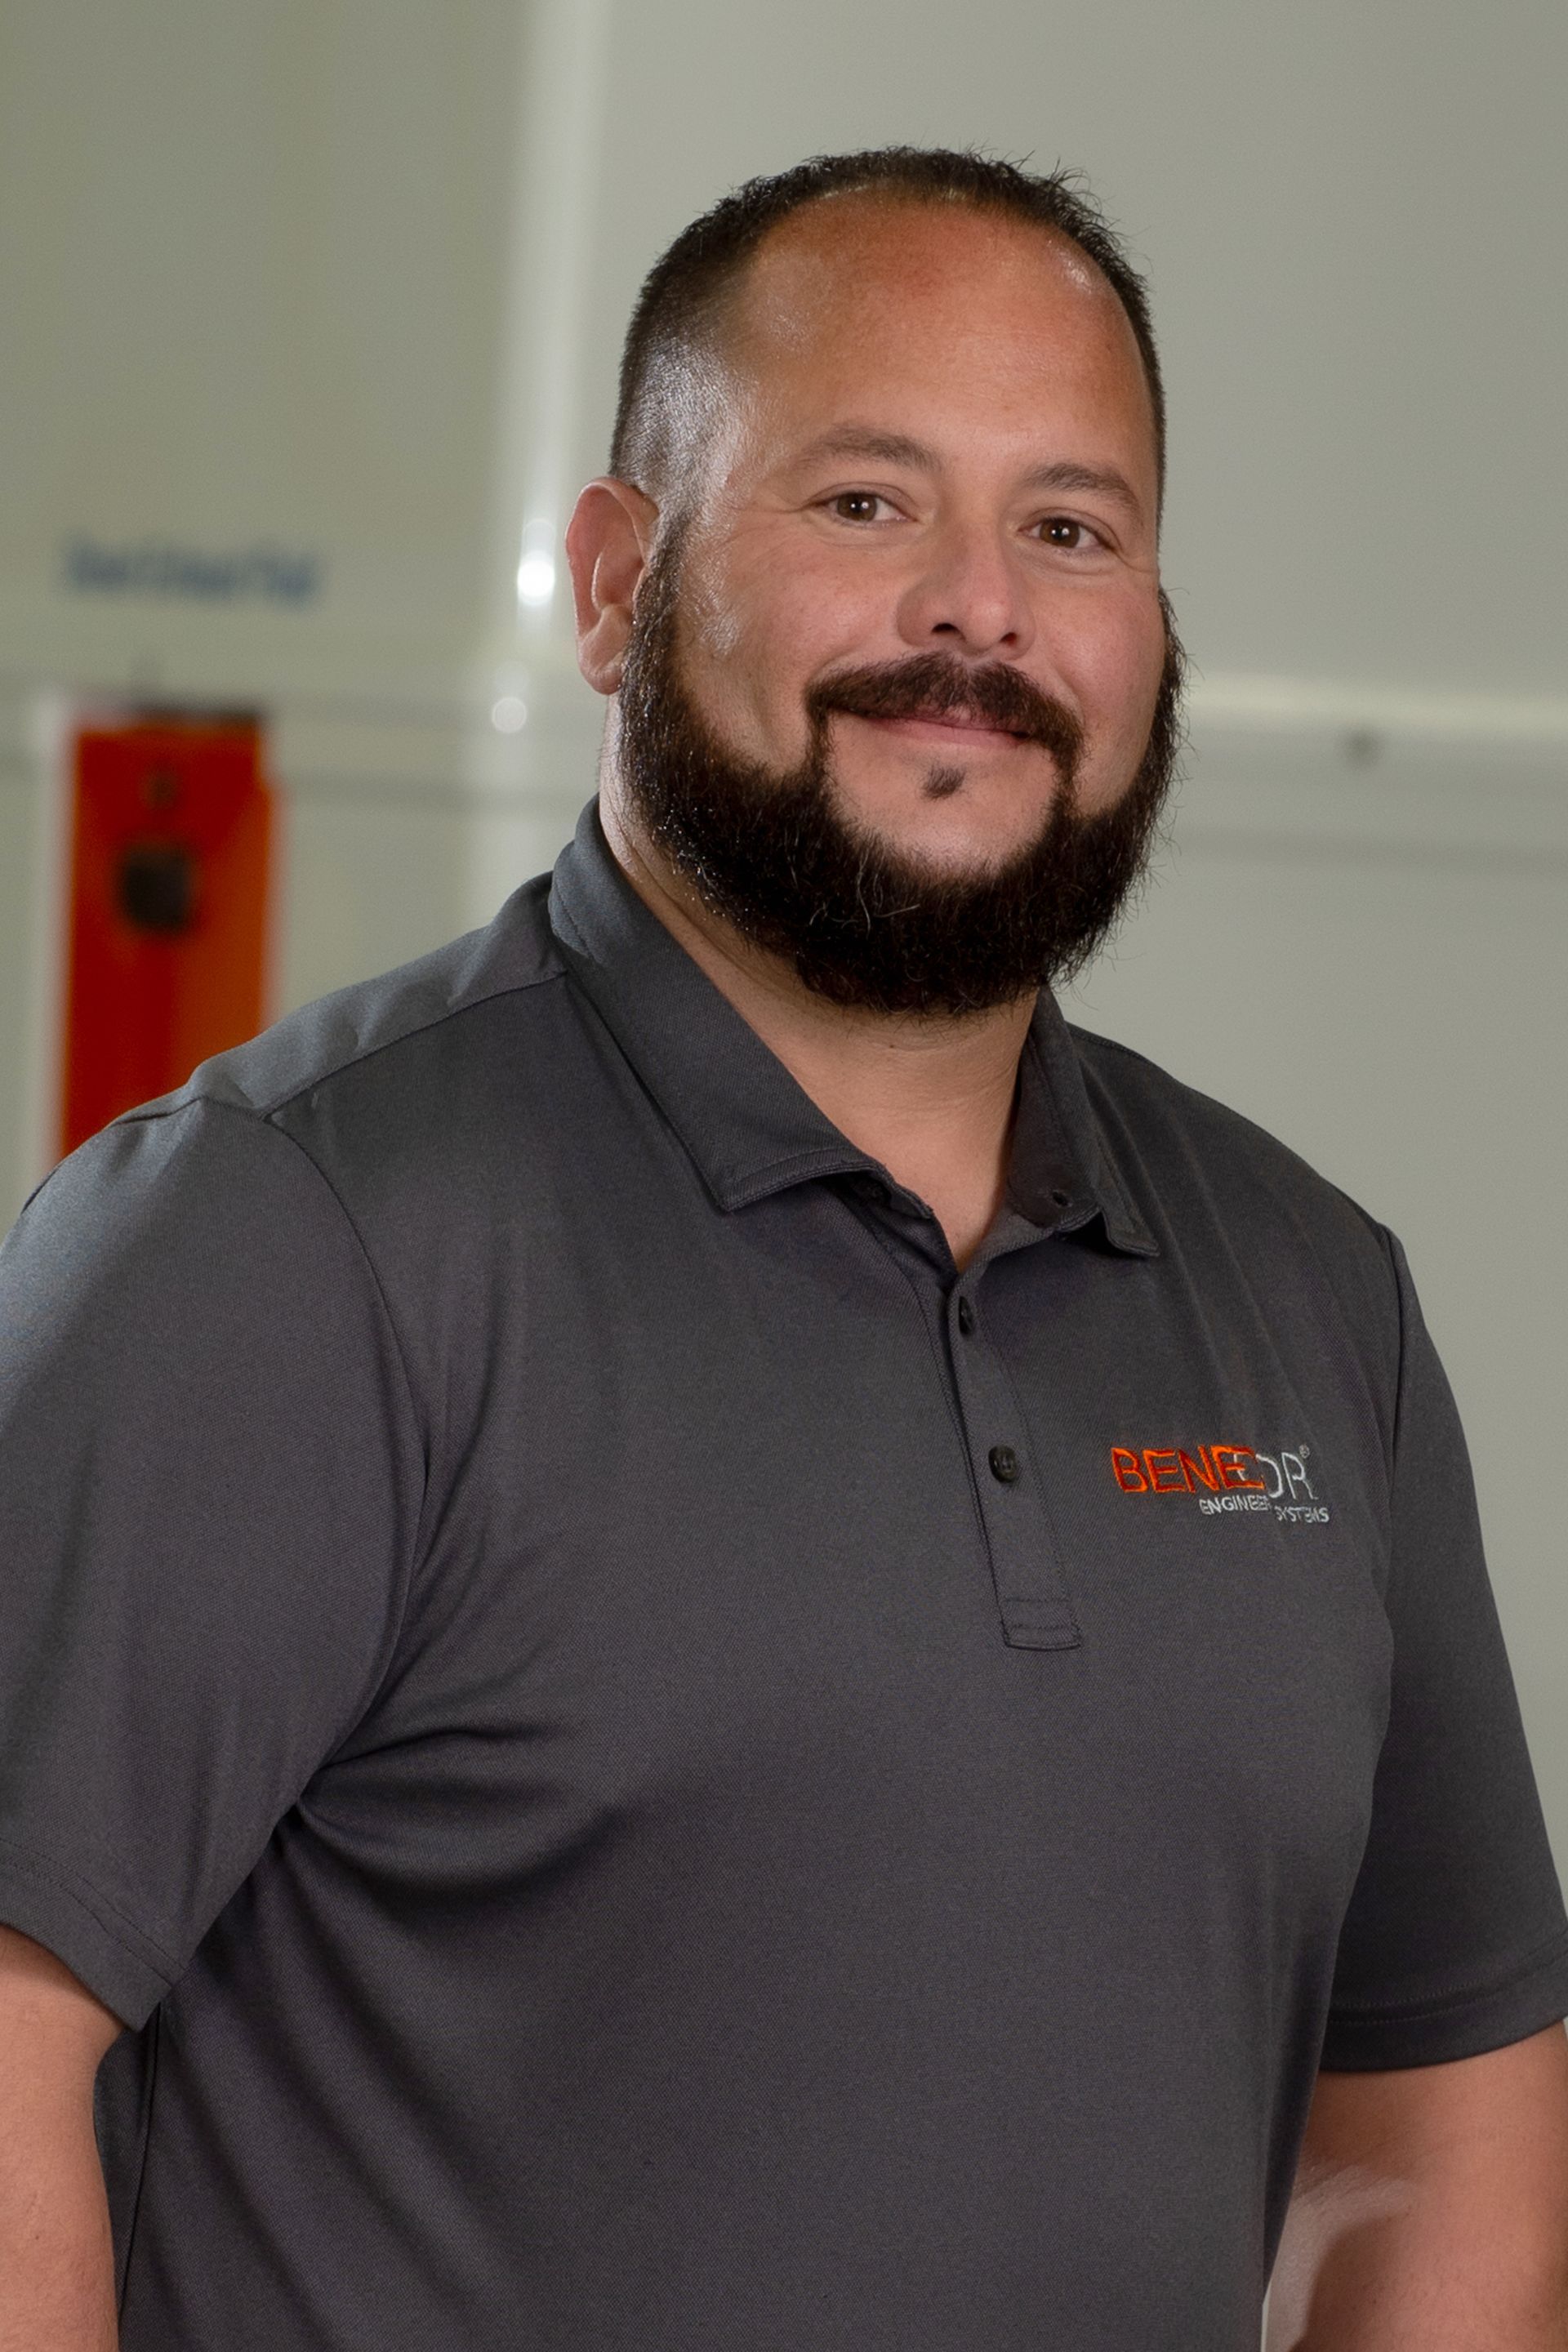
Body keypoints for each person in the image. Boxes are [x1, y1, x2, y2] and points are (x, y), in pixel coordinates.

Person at [1, 146, 1566, 2352]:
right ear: (617, 586)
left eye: (1070, 528)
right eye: (864, 503)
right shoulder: (279, 1242)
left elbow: (1437, 2142)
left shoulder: (1321, 1305)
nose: (979, 613)